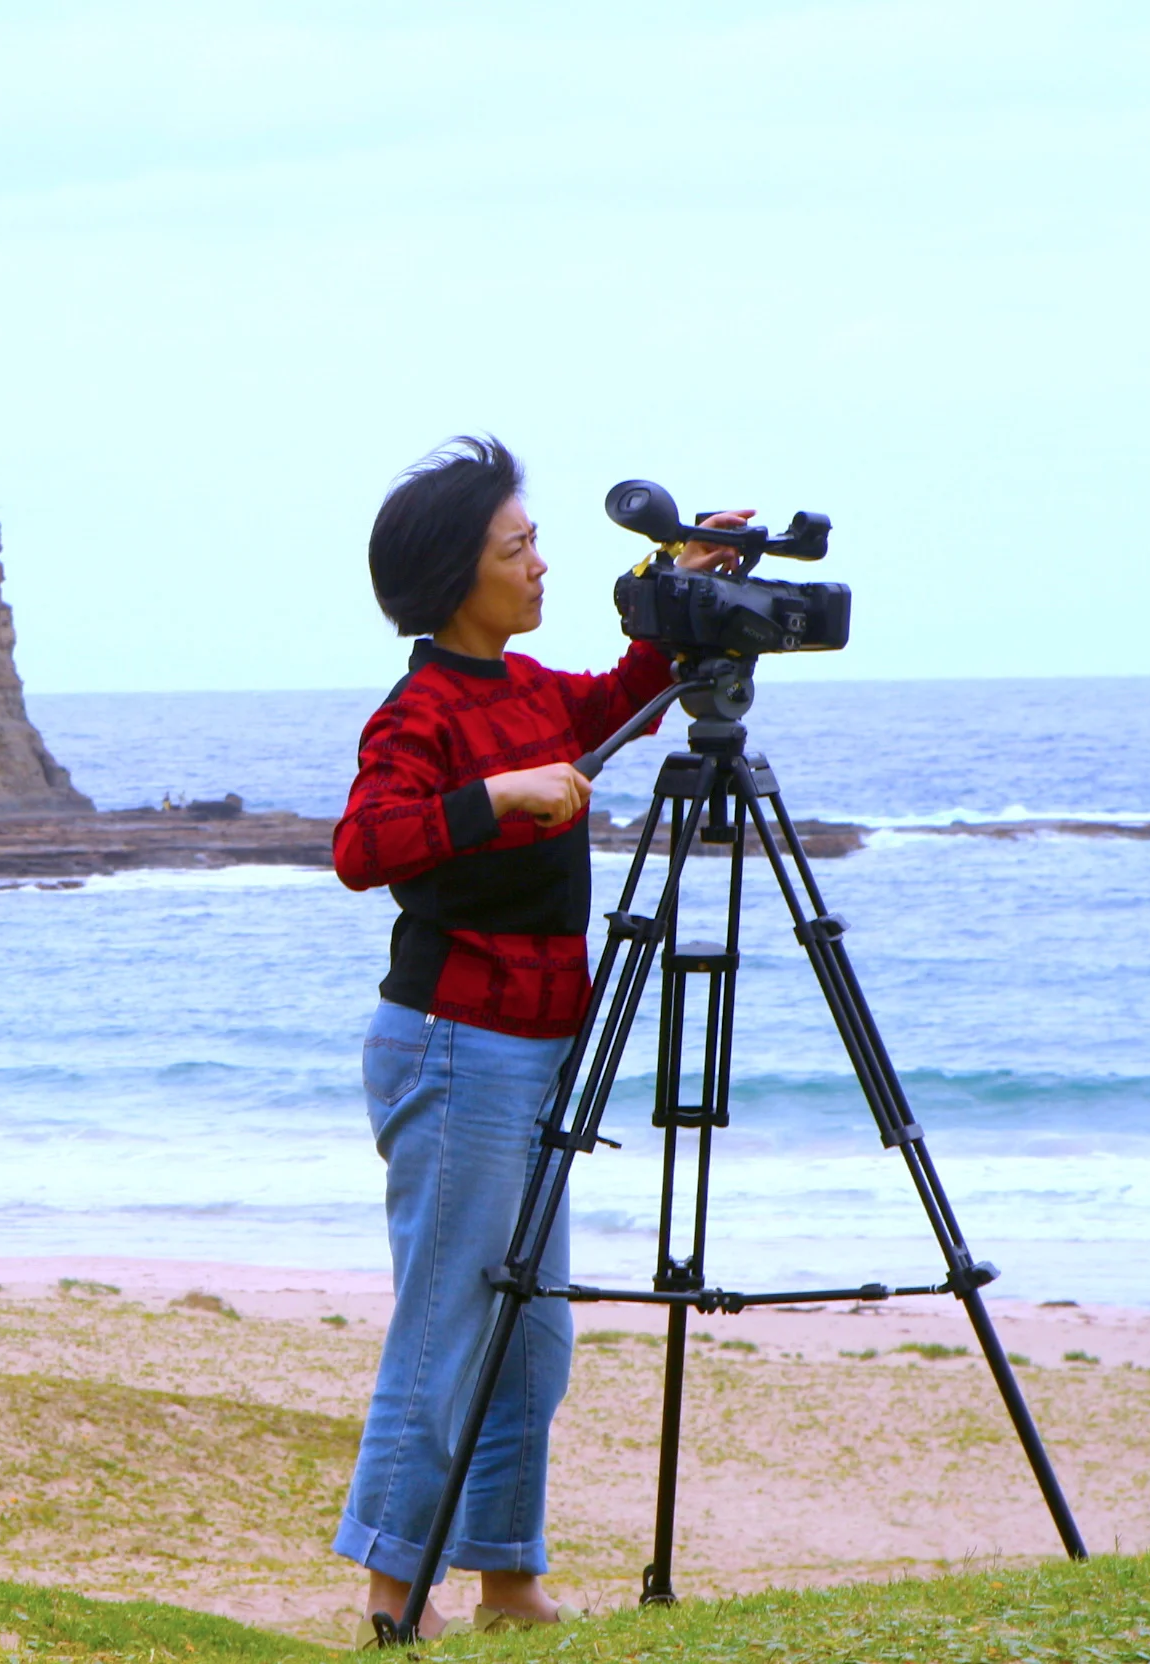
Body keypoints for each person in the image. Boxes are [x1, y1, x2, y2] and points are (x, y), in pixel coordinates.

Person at [329, 436, 745, 1636]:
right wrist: (499, 798)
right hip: (453, 1042)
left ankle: (508, 1580)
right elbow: (365, 845)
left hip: (533, 1050)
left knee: (532, 1329)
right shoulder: (417, 711)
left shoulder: (524, 689)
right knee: (451, 1319)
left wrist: (686, 580)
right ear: (460, 574)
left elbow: (623, 701)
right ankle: (390, 1593)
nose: (542, 564)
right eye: (520, 548)